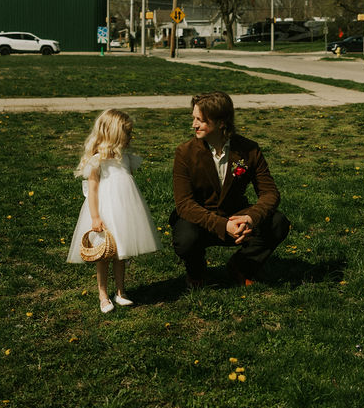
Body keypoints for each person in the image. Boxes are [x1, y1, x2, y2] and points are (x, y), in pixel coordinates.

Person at [170, 91, 290, 287]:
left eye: (200, 120)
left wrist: (250, 218)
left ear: (221, 122)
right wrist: (223, 225)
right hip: (200, 220)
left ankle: (241, 266)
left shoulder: (249, 149)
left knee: (278, 222)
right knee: (185, 237)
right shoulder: (185, 153)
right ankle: (196, 271)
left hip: (237, 215)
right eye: (194, 118)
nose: (194, 125)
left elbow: (270, 193)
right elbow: (184, 204)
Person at [67, 109, 161, 313]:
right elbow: (92, 190)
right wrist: (95, 217)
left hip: (125, 211)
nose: (130, 138)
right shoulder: (97, 160)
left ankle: (121, 291)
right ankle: (103, 294)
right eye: (127, 133)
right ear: (114, 135)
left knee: (120, 253)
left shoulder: (126, 159)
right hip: (104, 210)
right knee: (104, 255)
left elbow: (127, 186)